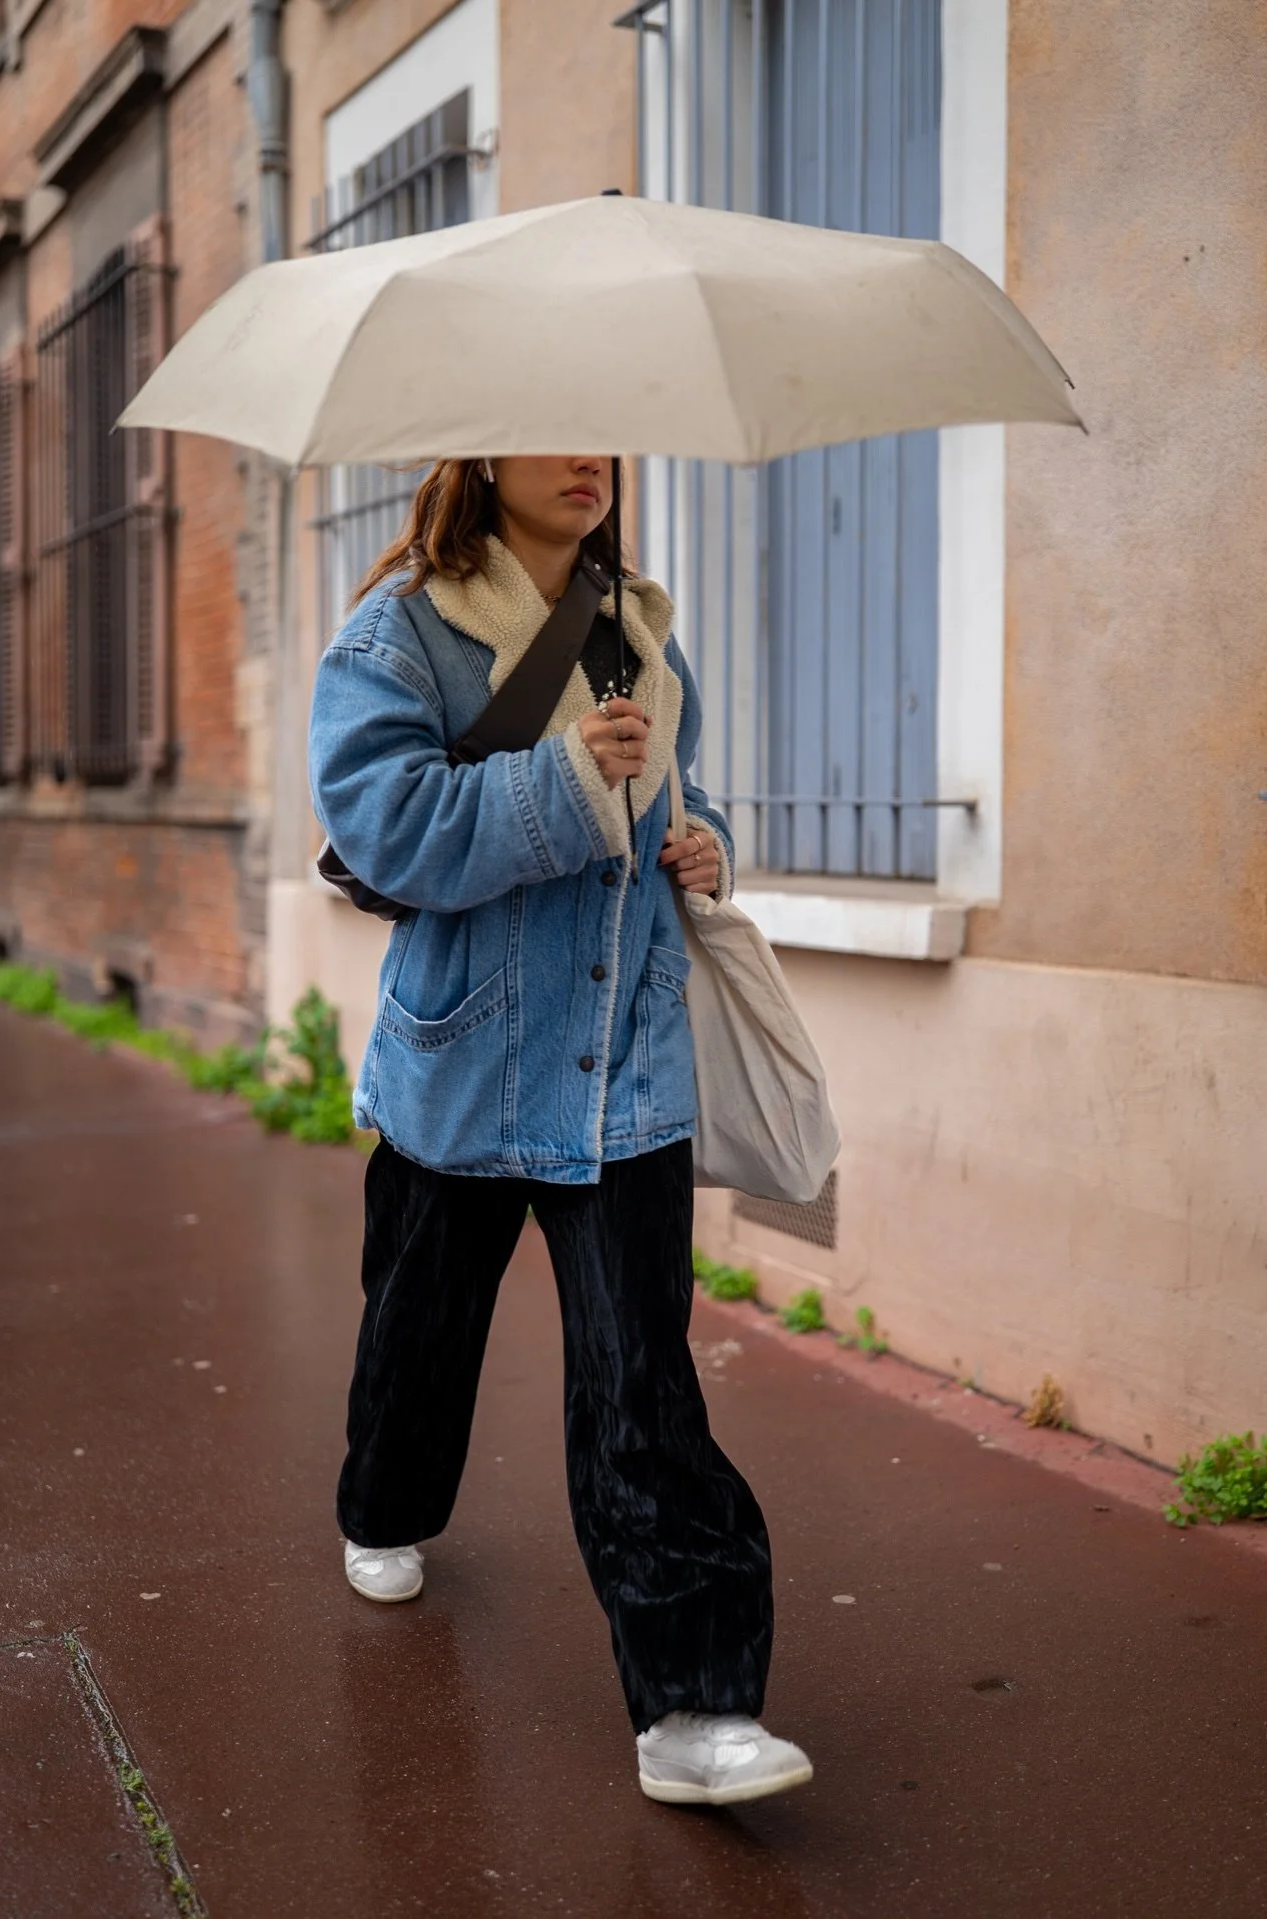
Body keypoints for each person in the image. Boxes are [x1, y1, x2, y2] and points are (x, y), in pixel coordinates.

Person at [308, 453, 812, 1807]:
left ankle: (695, 1706)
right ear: (481, 456)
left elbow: (673, 802)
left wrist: (701, 843)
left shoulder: (643, 630)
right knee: (418, 1329)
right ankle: (386, 1504)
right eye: (552, 428)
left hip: (620, 1070)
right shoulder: (395, 635)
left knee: (642, 1384)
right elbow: (380, 824)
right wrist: (562, 783)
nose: (587, 455)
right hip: (462, 1063)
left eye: (603, 429)